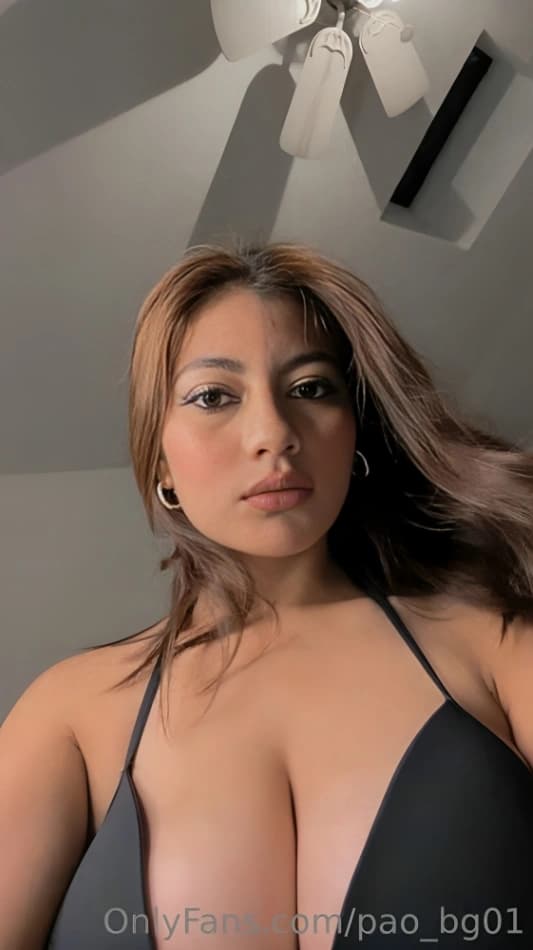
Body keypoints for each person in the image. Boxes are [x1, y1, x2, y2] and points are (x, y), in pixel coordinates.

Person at [1, 239, 533, 950]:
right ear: (160, 459)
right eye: (213, 396)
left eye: (310, 388)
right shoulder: (68, 714)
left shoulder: (496, 649)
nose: (273, 435)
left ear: (355, 432)